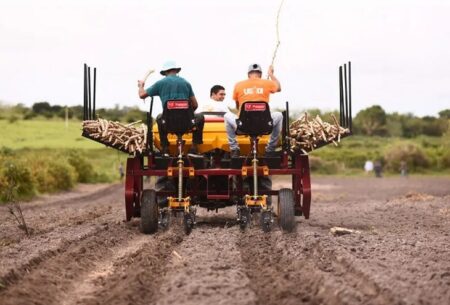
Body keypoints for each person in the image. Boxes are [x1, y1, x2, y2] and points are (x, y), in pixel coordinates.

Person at [138, 60, 204, 155]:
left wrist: (141, 86)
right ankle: (194, 147)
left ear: (165, 72)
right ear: (176, 71)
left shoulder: (160, 83)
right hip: (187, 123)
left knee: (159, 117)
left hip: (168, 123)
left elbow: (141, 95)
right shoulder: (186, 83)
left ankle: (165, 148)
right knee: (200, 117)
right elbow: (195, 105)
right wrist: (187, 114)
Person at [224, 63, 282, 157]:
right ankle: (270, 149)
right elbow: (279, 88)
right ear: (260, 74)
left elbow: (238, 107)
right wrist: (271, 74)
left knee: (226, 116)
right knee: (279, 115)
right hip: (264, 125)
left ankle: (234, 149)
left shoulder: (238, 85)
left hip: (243, 126)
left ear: (248, 74)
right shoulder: (267, 83)